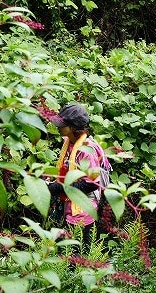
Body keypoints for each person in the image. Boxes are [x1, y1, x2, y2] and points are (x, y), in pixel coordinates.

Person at [48, 103, 107, 255]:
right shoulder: (68, 142)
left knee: (77, 253)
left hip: (82, 209)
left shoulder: (86, 150)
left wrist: (56, 188)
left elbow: (91, 184)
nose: (58, 127)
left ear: (73, 128)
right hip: (67, 205)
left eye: (62, 125)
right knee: (64, 251)